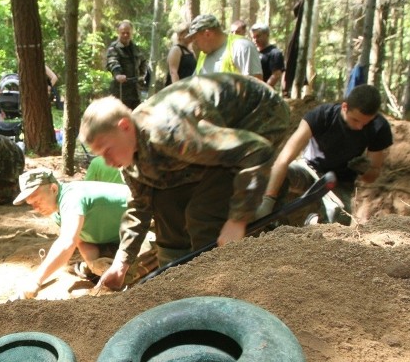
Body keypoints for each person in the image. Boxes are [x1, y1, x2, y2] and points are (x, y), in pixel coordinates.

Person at [79, 73, 290, 290]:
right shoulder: (129, 158)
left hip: (258, 116)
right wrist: (121, 262)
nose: (107, 161)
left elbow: (255, 150)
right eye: (100, 155)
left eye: (107, 151)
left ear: (124, 126)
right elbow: (140, 206)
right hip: (209, 142)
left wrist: (238, 220)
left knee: (203, 214)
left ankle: (218, 288)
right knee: (165, 203)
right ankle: (177, 283)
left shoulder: (169, 134)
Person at [258, 84, 393, 225]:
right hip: (308, 169)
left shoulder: (379, 127)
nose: (360, 127)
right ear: (345, 107)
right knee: (277, 176)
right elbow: (283, 159)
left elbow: (371, 176)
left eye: (366, 123)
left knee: (339, 218)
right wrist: (267, 202)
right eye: (355, 120)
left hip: (339, 182)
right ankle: (271, 223)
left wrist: (365, 170)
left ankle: (314, 225)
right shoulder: (322, 115)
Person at [10, 169, 156, 299]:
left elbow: (68, 242)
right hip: (120, 238)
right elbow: (82, 239)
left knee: (124, 275)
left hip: (149, 227)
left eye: (38, 201)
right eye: (31, 204)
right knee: (99, 269)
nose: (36, 208)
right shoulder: (56, 209)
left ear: (53, 189)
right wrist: (93, 263)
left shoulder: (72, 197)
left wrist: (36, 280)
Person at [188, 14, 263, 80]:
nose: (195, 45)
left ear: (207, 34)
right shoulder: (203, 54)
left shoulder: (241, 47)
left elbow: (256, 87)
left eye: (196, 40)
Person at [105, 20, 149, 109]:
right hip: (120, 92)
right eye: (123, 33)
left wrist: (142, 75)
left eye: (128, 33)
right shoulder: (114, 48)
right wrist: (118, 75)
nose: (125, 35)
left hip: (135, 92)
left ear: (131, 33)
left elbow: (143, 62)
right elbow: (112, 62)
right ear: (119, 33)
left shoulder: (136, 49)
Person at [250, 23, 285, 90]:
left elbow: (276, 75)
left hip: (263, 91)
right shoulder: (252, 52)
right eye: (253, 37)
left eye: (258, 36)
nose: (255, 40)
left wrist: (264, 89)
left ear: (267, 35)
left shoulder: (275, 53)